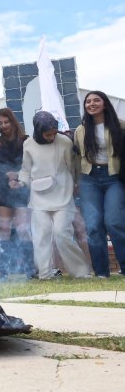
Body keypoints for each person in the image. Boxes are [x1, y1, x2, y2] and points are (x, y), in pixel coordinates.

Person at [12, 111, 91, 279]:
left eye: (54, 133)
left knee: (62, 233)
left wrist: (76, 184)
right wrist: (20, 182)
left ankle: (81, 272)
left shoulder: (65, 142)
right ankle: (45, 274)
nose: (52, 137)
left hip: (63, 193)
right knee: (41, 235)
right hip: (39, 196)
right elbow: (26, 169)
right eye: (48, 134)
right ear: (38, 130)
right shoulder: (28, 144)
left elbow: (73, 166)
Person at [73, 91, 125, 277]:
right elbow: (77, 157)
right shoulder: (81, 130)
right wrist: (75, 182)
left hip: (113, 177)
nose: (92, 104)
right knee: (93, 226)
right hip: (89, 178)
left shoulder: (119, 126)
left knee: (115, 222)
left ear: (104, 103)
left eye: (96, 100)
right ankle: (102, 271)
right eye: (88, 101)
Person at [0, 108, 33, 277]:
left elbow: (31, 165)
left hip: (21, 185)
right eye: (0, 123)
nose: (4, 126)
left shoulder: (26, 140)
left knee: (23, 228)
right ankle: (3, 271)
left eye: (6, 122)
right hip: (1, 186)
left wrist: (18, 176)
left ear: (13, 121)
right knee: (3, 228)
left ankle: (29, 269)